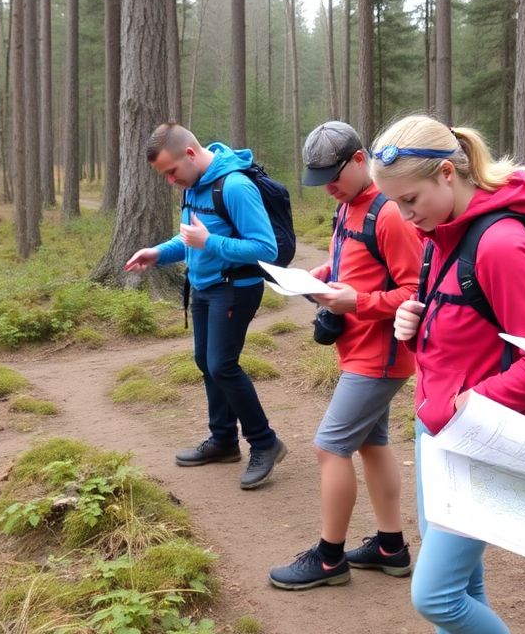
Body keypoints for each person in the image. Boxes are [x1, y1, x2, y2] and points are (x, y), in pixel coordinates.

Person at [372, 115, 525, 634]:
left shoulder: (501, 244)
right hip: (436, 427)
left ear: (445, 174)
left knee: (433, 593)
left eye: (410, 199)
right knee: (462, 590)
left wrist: (473, 402)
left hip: (480, 433)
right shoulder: (439, 234)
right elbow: (459, 334)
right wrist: (412, 329)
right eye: (396, 205)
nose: (407, 216)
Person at [269, 121, 423, 590]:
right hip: (357, 350)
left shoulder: (390, 213)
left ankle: (330, 557)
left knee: (329, 446)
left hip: (379, 355)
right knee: (370, 443)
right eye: (320, 182)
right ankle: (390, 546)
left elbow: (418, 293)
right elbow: (355, 264)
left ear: (361, 161)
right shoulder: (348, 208)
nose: (328, 189)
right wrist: (320, 275)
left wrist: (358, 303)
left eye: (334, 178)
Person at [125, 122, 288, 490]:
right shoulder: (193, 184)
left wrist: (209, 242)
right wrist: (158, 253)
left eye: (171, 171)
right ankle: (224, 440)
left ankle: (265, 442)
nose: (170, 181)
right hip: (202, 288)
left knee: (222, 365)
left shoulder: (235, 186)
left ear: (190, 154)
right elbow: (190, 239)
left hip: (235, 289)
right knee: (206, 363)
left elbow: (266, 249)